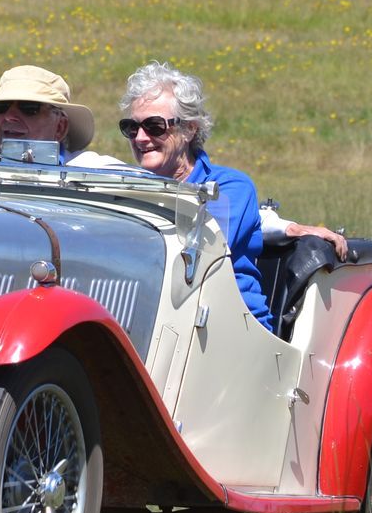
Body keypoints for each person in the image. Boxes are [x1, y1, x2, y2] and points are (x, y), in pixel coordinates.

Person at [118, 60, 346, 331]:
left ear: (189, 129)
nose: (140, 138)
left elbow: (196, 257)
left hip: (229, 329)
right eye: (132, 128)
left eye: (155, 126)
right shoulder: (126, 186)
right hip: (159, 322)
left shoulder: (229, 187)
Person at [0, 66, 125, 168]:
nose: (10, 117)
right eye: (1, 106)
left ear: (60, 127)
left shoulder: (94, 174)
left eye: (29, 108)